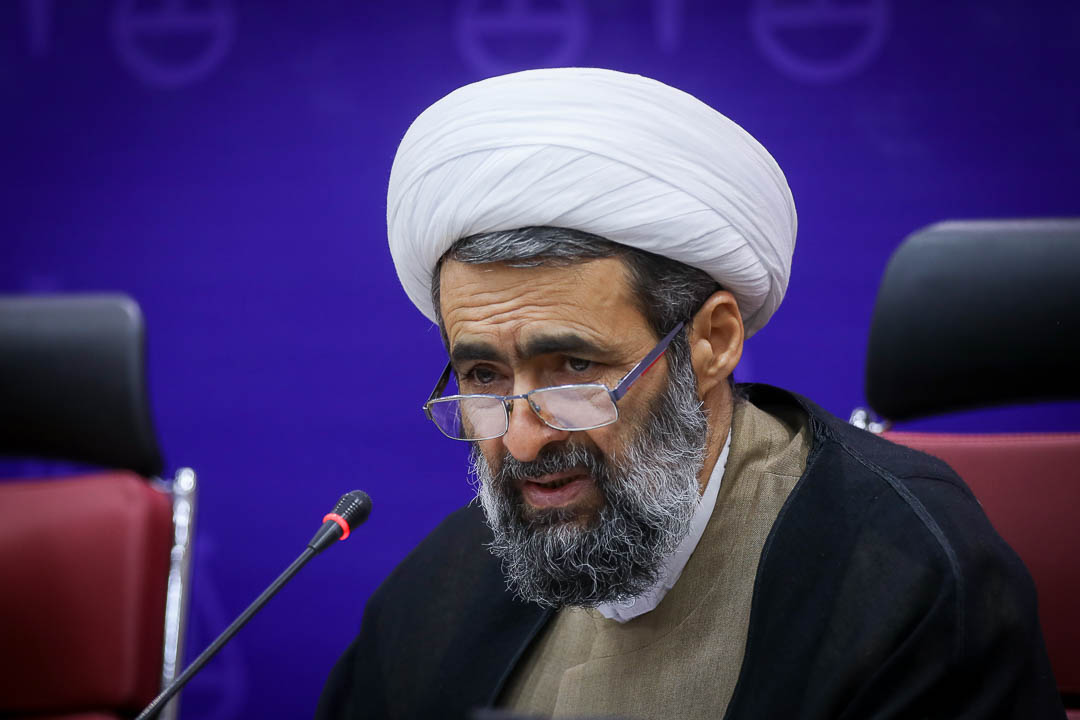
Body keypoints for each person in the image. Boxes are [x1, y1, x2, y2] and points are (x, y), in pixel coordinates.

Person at [316, 68, 1063, 719]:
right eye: (484, 378)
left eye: (574, 368)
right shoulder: (435, 597)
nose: (521, 439)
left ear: (712, 342)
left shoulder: (898, 580)